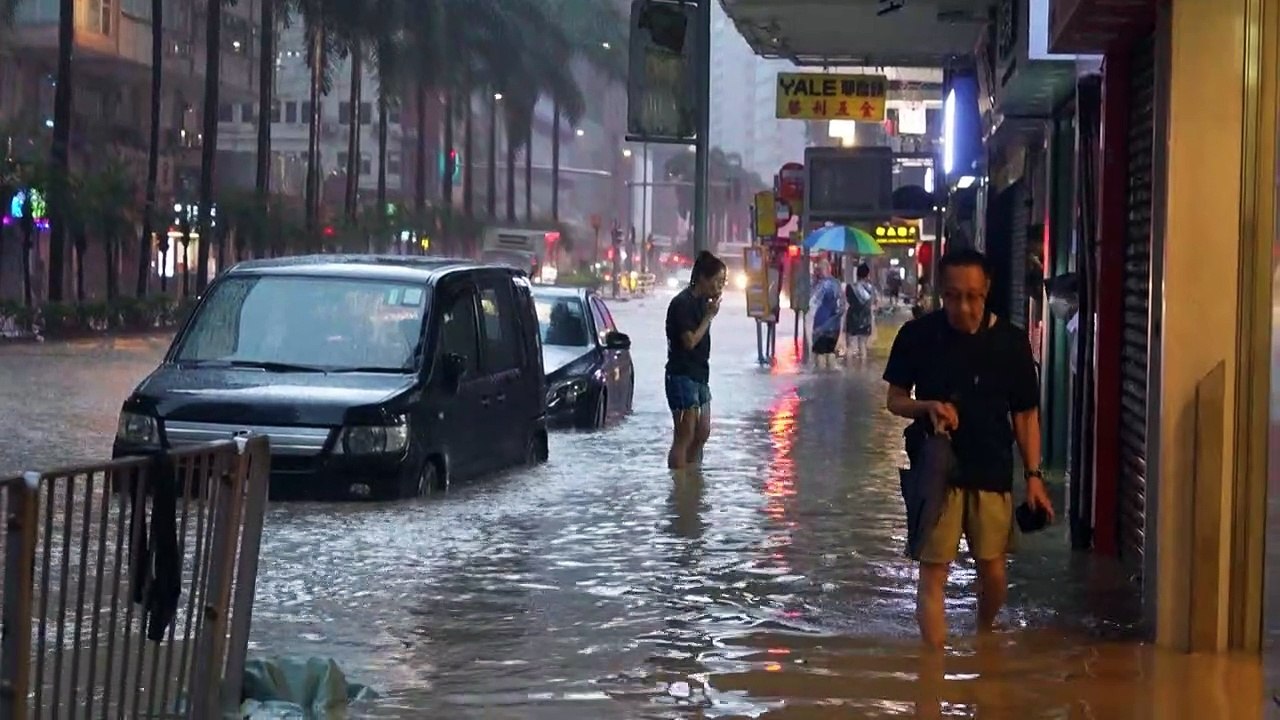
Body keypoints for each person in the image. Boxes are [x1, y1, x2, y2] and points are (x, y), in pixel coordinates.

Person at [882, 249, 1055, 648]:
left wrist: (1033, 477)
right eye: (954, 296)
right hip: (936, 466)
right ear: (941, 293)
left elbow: (1025, 416)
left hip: (992, 465)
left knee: (993, 571)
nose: (964, 306)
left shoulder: (1011, 343)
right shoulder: (917, 336)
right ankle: (933, 672)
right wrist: (926, 406)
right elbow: (894, 400)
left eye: (973, 296)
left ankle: (984, 635)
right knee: (933, 571)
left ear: (987, 290)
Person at [665, 251, 726, 470]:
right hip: (681, 375)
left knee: (702, 431)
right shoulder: (682, 303)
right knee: (685, 433)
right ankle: (679, 487)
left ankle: (692, 480)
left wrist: (708, 313)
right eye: (717, 281)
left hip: (700, 374)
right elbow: (689, 341)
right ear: (702, 277)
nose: (720, 287)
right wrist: (709, 317)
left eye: (723, 282)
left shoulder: (703, 303)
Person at [809, 260, 844, 370]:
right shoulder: (837, 284)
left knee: (820, 354)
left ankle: (822, 382)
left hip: (821, 325)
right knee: (830, 352)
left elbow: (812, 303)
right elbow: (842, 306)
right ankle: (831, 381)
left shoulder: (821, 285)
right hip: (835, 326)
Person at [844, 263, 875, 361]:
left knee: (850, 346)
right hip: (865, 319)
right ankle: (863, 368)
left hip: (852, 317)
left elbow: (848, 301)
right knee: (863, 346)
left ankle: (849, 371)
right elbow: (874, 303)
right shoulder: (871, 289)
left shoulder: (850, 287)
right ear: (867, 275)